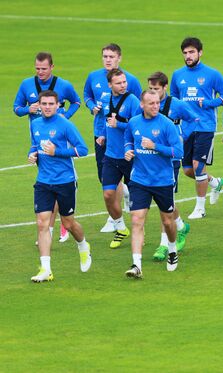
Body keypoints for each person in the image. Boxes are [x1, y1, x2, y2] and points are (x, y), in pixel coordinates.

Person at [14, 52, 81, 243]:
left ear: (52, 67)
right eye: (37, 68)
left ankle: (56, 226)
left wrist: (65, 117)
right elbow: (16, 108)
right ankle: (49, 227)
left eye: (44, 68)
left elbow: (76, 101)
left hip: (60, 139)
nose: (40, 72)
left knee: (61, 178)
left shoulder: (64, 85)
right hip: (38, 141)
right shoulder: (27, 84)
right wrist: (29, 109)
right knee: (48, 181)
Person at [27, 90, 91, 282]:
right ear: (39, 105)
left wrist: (58, 152)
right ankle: (46, 269)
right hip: (43, 181)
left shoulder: (65, 125)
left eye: (50, 104)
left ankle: (83, 245)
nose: (47, 107)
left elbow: (83, 149)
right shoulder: (35, 124)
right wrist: (33, 154)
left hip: (65, 181)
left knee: (68, 223)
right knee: (42, 223)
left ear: (57, 105)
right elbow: (34, 145)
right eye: (43, 104)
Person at [123, 90, 184, 278]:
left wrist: (155, 146)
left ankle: (172, 249)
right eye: (151, 103)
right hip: (140, 180)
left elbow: (179, 152)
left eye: (157, 103)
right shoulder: (134, 123)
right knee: (136, 220)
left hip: (163, 180)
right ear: (142, 105)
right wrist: (128, 151)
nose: (156, 106)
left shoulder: (166, 124)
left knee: (167, 221)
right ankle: (136, 265)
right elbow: (127, 139)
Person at [83, 43, 142, 233]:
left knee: (131, 181)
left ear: (119, 58)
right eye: (105, 56)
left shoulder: (131, 81)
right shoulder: (93, 77)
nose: (108, 60)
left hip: (126, 140)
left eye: (111, 57)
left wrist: (122, 125)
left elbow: (140, 111)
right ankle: (120, 204)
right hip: (102, 134)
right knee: (104, 178)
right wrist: (91, 106)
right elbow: (87, 95)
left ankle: (114, 218)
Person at [171, 37, 223, 219]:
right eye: (185, 53)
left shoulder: (212, 74)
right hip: (185, 128)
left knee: (197, 166)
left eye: (191, 52)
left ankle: (200, 208)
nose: (188, 56)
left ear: (200, 53)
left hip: (205, 126)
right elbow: (173, 99)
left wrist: (209, 103)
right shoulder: (177, 75)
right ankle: (214, 182)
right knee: (188, 170)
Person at [148, 71, 198, 261]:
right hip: (150, 159)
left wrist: (183, 137)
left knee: (164, 204)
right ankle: (180, 225)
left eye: (156, 89)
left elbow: (194, 120)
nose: (153, 93)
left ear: (165, 88)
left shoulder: (176, 105)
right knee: (165, 202)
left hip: (171, 160)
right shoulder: (145, 106)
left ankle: (163, 245)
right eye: (151, 89)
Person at [98, 68, 141, 249]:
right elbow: (103, 121)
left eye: (124, 82)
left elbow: (138, 127)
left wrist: (119, 124)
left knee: (137, 201)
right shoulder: (104, 99)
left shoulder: (132, 101)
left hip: (130, 156)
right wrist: (101, 135)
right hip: (111, 156)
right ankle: (120, 227)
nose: (123, 85)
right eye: (118, 83)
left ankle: (140, 234)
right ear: (110, 85)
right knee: (108, 194)